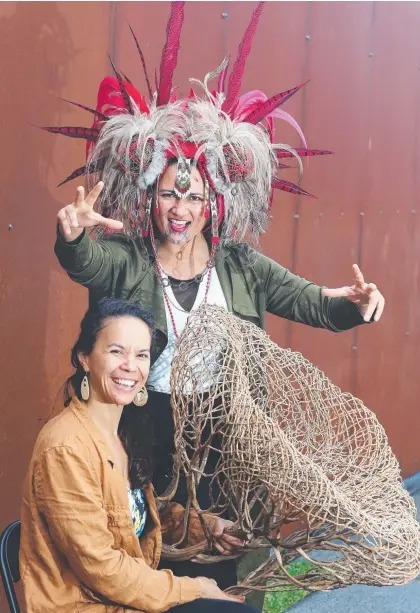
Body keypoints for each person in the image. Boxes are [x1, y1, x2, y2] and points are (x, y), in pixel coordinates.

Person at [47, 1, 385, 592]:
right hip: (144, 423)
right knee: (150, 550)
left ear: (215, 204)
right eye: (168, 196)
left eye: (194, 198)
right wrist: (72, 235)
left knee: (224, 553)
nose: (180, 210)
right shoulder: (129, 258)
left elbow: (311, 301)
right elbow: (86, 262)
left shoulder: (239, 265)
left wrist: (354, 304)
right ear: (150, 198)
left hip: (223, 429)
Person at [20, 298, 254, 613]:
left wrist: (207, 527)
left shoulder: (123, 433)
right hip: (87, 604)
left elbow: (136, 515)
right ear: (85, 358)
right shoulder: (65, 446)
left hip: (128, 598)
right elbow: (102, 568)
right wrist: (194, 588)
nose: (131, 366)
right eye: (116, 351)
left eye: (141, 355)